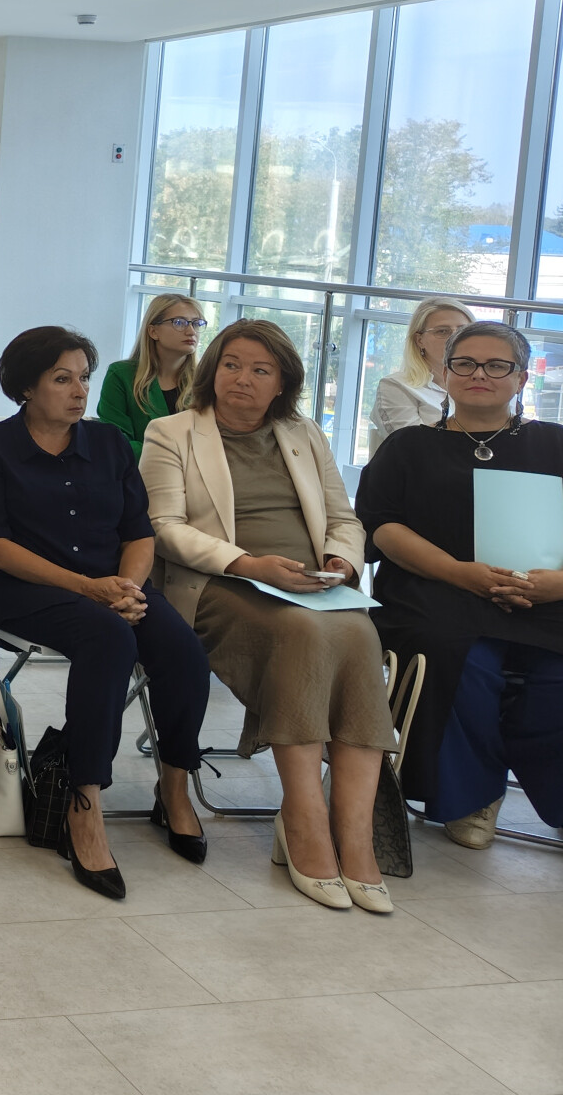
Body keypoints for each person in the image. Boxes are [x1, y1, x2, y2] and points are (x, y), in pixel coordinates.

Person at [141, 319, 396, 912]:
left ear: (282, 383)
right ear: (213, 370)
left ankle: (355, 840)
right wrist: (249, 564)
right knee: (300, 631)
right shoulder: (171, 431)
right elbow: (164, 528)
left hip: (312, 584)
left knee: (359, 634)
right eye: (232, 364)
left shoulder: (303, 432)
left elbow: (344, 518)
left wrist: (341, 561)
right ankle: (304, 820)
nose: (243, 379)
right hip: (219, 583)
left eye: (261, 370)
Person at [0, 326, 210, 901]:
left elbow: (138, 532)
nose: (79, 391)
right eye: (62, 379)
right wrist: (90, 589)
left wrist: (127, 587)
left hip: (114, 585)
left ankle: (175, 785)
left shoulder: (109, 442)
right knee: (109, 639)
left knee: (182, 651)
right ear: (26, 387)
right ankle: (84, 801)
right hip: (26, 589)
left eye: (84, 378)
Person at [357, 320, 563, 850]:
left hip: (548, 596)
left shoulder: (555, 443)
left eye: (497, 365)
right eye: (465, 363)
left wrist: (558, 585)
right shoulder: (409, 446)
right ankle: (473, 796)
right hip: (437, 589)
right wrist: (458, 572)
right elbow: (382, 526)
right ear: (444, 373)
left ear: (521, 378)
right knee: (462, 658)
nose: (480, 374)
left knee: (554, 678)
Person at [97, 294, 205, 456]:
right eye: (179, 323)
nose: (191, 331)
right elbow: (115, 441)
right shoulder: (121, 375)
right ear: (153, 331)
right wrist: (169, 458)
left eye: (196, 323)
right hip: (137, 470)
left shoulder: (205, 380)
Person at [368, 297, 473, 455]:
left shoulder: (488, 384)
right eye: (442, 331)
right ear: (419, 340)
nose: (455, 338)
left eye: (463, 331)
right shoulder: (396, 386)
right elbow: (413, 450)